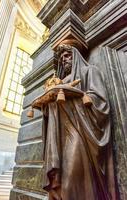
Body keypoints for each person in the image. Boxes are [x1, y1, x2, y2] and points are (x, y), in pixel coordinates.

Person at [42, 40, 117, 200]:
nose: (64, 60)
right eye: (61, 58)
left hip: (80, 130)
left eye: (67, 55)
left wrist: (73, 95)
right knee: (60, 183)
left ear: (76, 56)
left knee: (70, 180)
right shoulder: (60, 81)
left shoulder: (90, 71)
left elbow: (100, 102)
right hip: (58, 135)